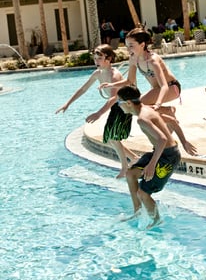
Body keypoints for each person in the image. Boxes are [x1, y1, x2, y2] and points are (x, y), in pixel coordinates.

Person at [55, 44, 138, 178]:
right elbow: (83, 89)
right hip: (117, 106)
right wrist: (68, 103)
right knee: (110, 139)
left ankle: (125, 167)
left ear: (109, 58)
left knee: (112, 137)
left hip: (125, 106)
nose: (96, 61)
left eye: (99, 58)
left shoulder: (114, 75)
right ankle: (133, 158)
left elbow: (113, 98)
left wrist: (99, 113)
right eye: (95, 58)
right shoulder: (98, 73)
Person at [116, 85, 182, 229]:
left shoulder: (142, 118)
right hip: (163, 152)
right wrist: (184, 142)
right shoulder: (147, 108)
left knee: (143, 193)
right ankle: (138, 211)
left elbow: (163, 139)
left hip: (167, 157)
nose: (118, 106)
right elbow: (171, 119)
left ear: (128, 103)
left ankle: (157, 220)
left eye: (118, 102)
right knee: (130, 174)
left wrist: (152, 164)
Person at [100, 27, 181, 111]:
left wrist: (158, 103)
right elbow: (130, 80)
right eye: (127, 46)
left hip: (171, 88)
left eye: (131, 46)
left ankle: (168, 111)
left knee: (138, 105)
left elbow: (164, 86)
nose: (128, 49)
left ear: (142, 45)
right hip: (157, 89)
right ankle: (169, 111)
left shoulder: (152, 60)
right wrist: (111, 85)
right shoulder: (133, 59)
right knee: (136, 107)